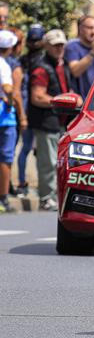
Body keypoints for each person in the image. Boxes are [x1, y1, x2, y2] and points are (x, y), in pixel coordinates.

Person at [28, 30, 73, 211]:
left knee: (60, 163)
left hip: (61, 121)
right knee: (49, 162)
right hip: (47, 122)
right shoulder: (41, 67)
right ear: (46, 46)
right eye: (55, 45)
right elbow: (37, 97)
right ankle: (47, 198)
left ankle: (56, 197)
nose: (59, 48)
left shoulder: (62, 64)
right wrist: (61, 101)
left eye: (61, 45)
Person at [15, 24, 44, 197]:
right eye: (32, 40)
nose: (34, 44)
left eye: (36, 40)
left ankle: (41, 184)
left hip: (38, 111)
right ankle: (22, 182)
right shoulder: (24, 61)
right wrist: (23, 116)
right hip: (29, 110)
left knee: (39, 151)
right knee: (28, 148)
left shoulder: (41, 59)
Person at [0, 31, 18, 212]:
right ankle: (3, 198)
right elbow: (8, 88)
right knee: (5, 158)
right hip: (4, 118)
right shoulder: (3, 65)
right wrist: (10, 102)